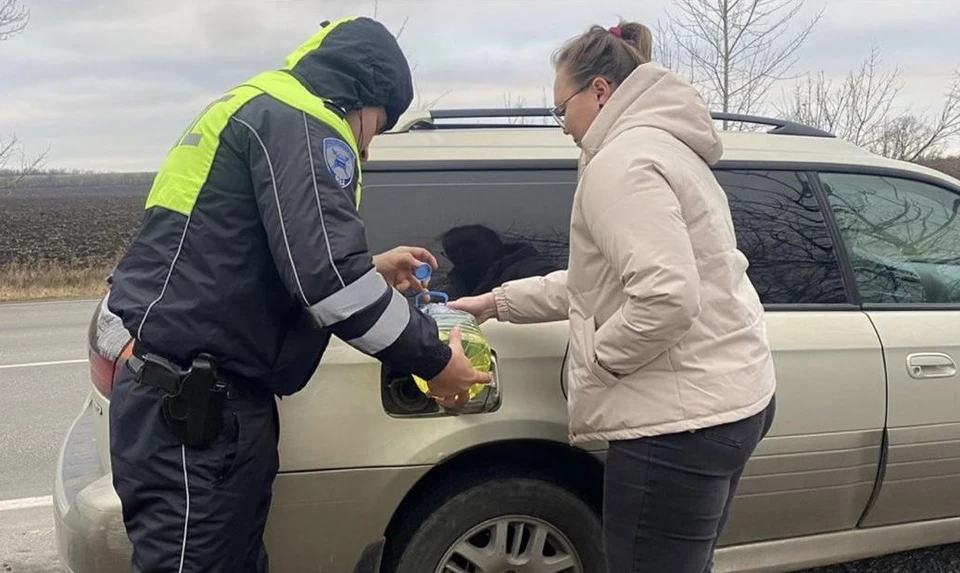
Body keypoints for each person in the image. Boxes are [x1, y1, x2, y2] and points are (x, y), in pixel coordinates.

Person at [105, 16, 490, 573]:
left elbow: (239, 254)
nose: (370, 147)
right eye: (378, 127)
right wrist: (434, 359)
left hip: (195, 406)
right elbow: (330, 282)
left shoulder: (258, 106)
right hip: (195, 415)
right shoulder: (304, 121)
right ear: (363, 98)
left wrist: (373, 268)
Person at [449, 20, 777, 573]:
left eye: (561, 108)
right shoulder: (667, 147)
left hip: (674, 426)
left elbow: (666, 297)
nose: (562, 125)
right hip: (730, 400)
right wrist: (497, 302)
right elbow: (601, 282)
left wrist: (599, 364)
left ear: (600, 90)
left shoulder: (621, 164)